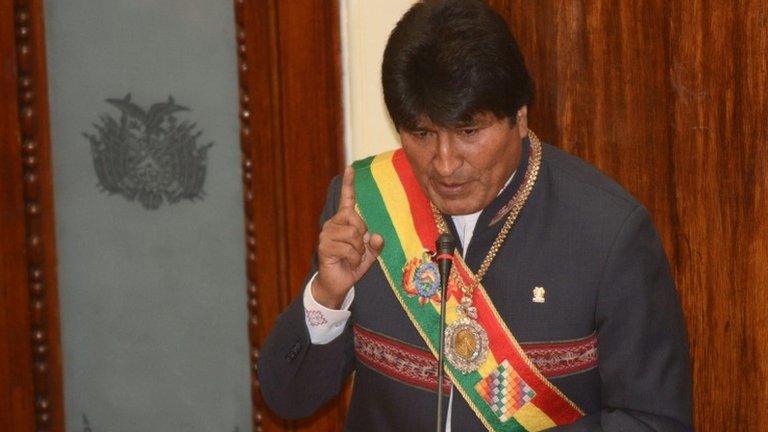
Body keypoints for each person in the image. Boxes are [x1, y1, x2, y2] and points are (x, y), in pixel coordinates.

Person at [258, 1, 692, 430]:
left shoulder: (607, 234)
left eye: (468, 132)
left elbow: (654, 422)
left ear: (519, 118)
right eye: (422, 133)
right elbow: (289, 399)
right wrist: (326, 298)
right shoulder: (365, 209)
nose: (445, 164)